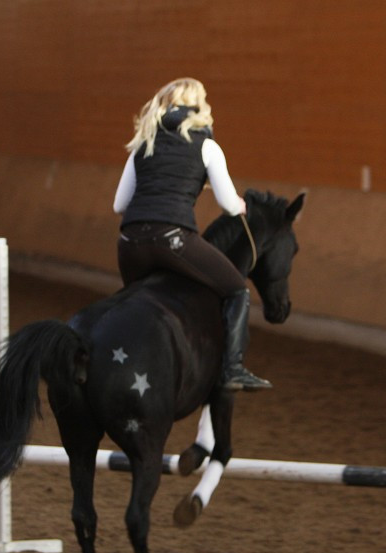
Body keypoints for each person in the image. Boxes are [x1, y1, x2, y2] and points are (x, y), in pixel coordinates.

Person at [113, 77, 271, 391]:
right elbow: (227, 203)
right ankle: (233, 368)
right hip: (172, 239)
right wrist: (240, 205)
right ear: (199, 107)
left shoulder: (142, 144)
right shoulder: (207, 146)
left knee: (138, 306)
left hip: (130, 243)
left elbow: (119, 204)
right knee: (237, 291)